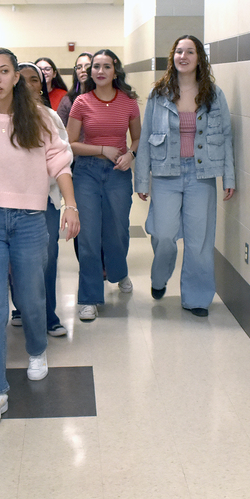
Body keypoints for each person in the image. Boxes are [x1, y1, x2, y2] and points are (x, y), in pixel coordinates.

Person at [0, 48, 79, 425]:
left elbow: (59, 161)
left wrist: (70, 205)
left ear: (15, 77)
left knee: (30, 298)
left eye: (4, 71)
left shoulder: (41, 117)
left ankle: (37, 350)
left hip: (30, 220)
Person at [135, 35, 235, 317]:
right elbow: (145, 137)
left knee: (199, 240)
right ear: (173, 57)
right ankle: (159, 277)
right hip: (166, 173)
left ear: (199, 58)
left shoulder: (213, 94)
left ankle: (197, 298)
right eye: (179, 51)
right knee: (163, 234)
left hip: (201, 174)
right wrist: (142, 180)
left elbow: (226, 136)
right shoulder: (159, 94)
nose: (183, 56)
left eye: (190, 52)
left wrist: (229, 177)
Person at [67, 49, 141, 322]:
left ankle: (119, 272)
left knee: (118, 231)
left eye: (106, 66)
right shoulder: (81, 102)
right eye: (96, 67)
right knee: (88, 236)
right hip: (86, 173)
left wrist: (130, 155)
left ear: (115, 70)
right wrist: (101, 149)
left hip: (118, 173)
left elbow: (137, 139)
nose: (100, 71)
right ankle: (89, 298)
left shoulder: (128, 102)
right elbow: (70, 144)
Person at [9, 63, 73, 337]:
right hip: (10, 201)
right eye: (22, 79)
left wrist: (69, 203)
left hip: (44, 198)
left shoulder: (50, 117)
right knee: (15, 258)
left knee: (47, 256)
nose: (28, 84)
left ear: (42, 86)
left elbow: (63, 157)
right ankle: (21, 307)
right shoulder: (1, 117)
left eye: (34, 79)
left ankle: (48, 316)